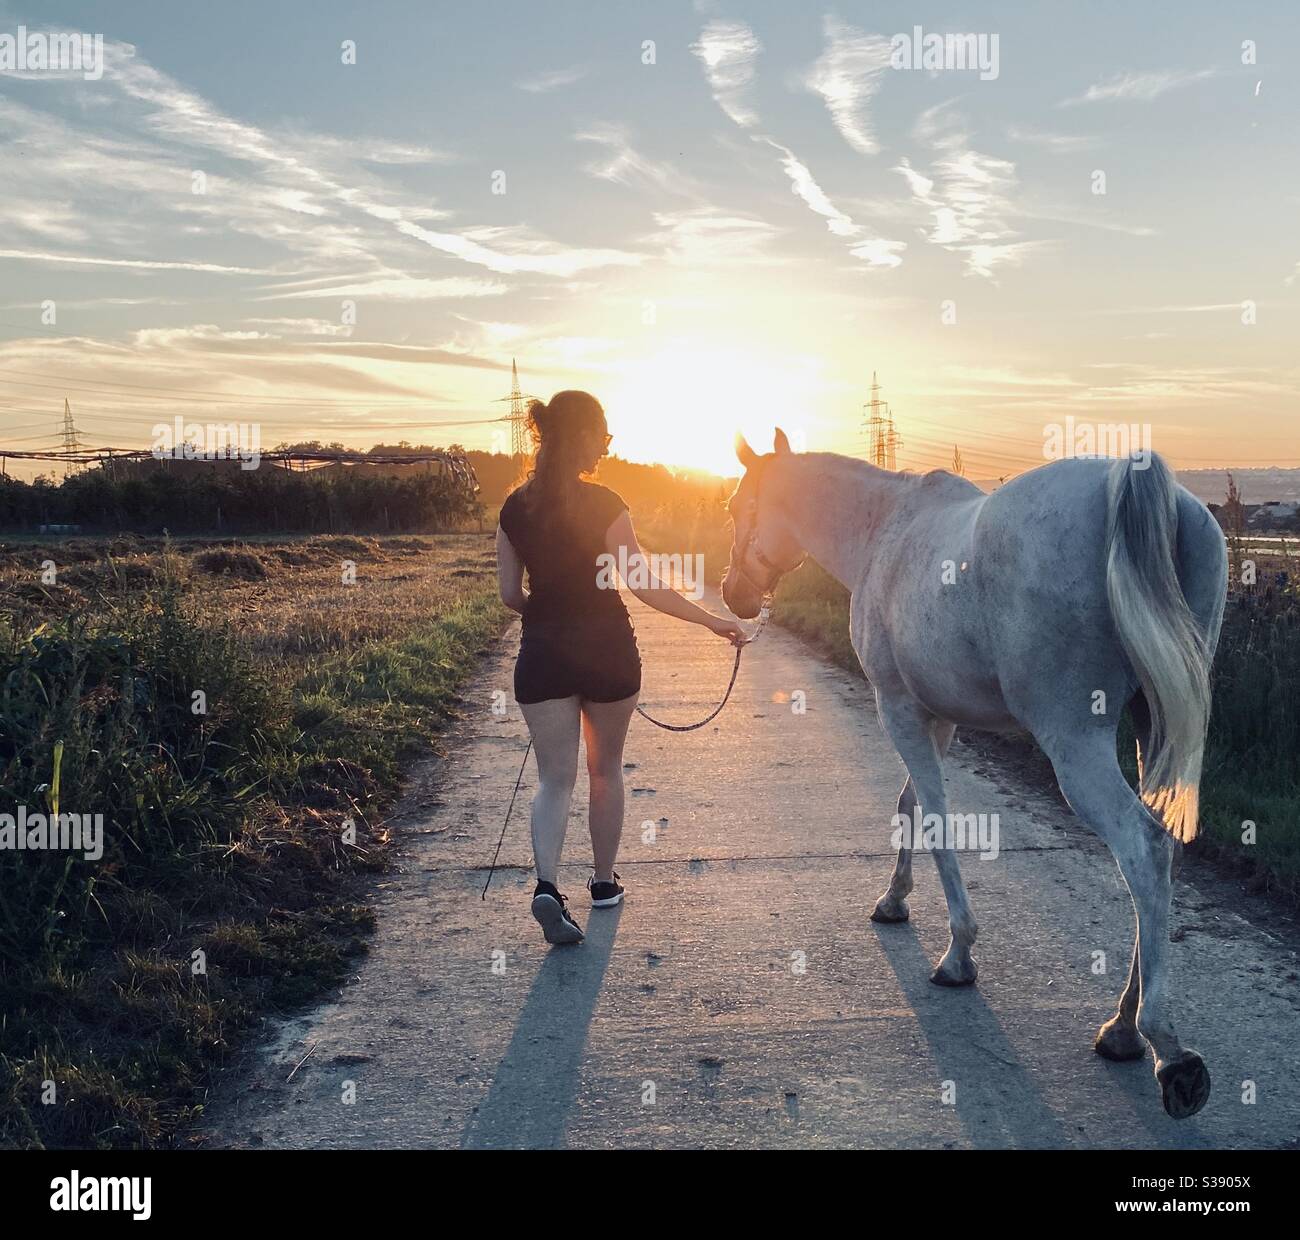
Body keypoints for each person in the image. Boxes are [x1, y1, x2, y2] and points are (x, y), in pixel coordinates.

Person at [496, 390, 747, 944]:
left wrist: (549, 613)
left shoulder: (514, 509)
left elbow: (510, 594)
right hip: (608, 651)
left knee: (554, 780)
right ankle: (604, 884)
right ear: (583, 436)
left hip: (543, 655)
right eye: (603, 437)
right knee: (605, 770)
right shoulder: (606, 503)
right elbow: (643, 583)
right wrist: (712, 621)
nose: (606, 449)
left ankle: (546, 885)